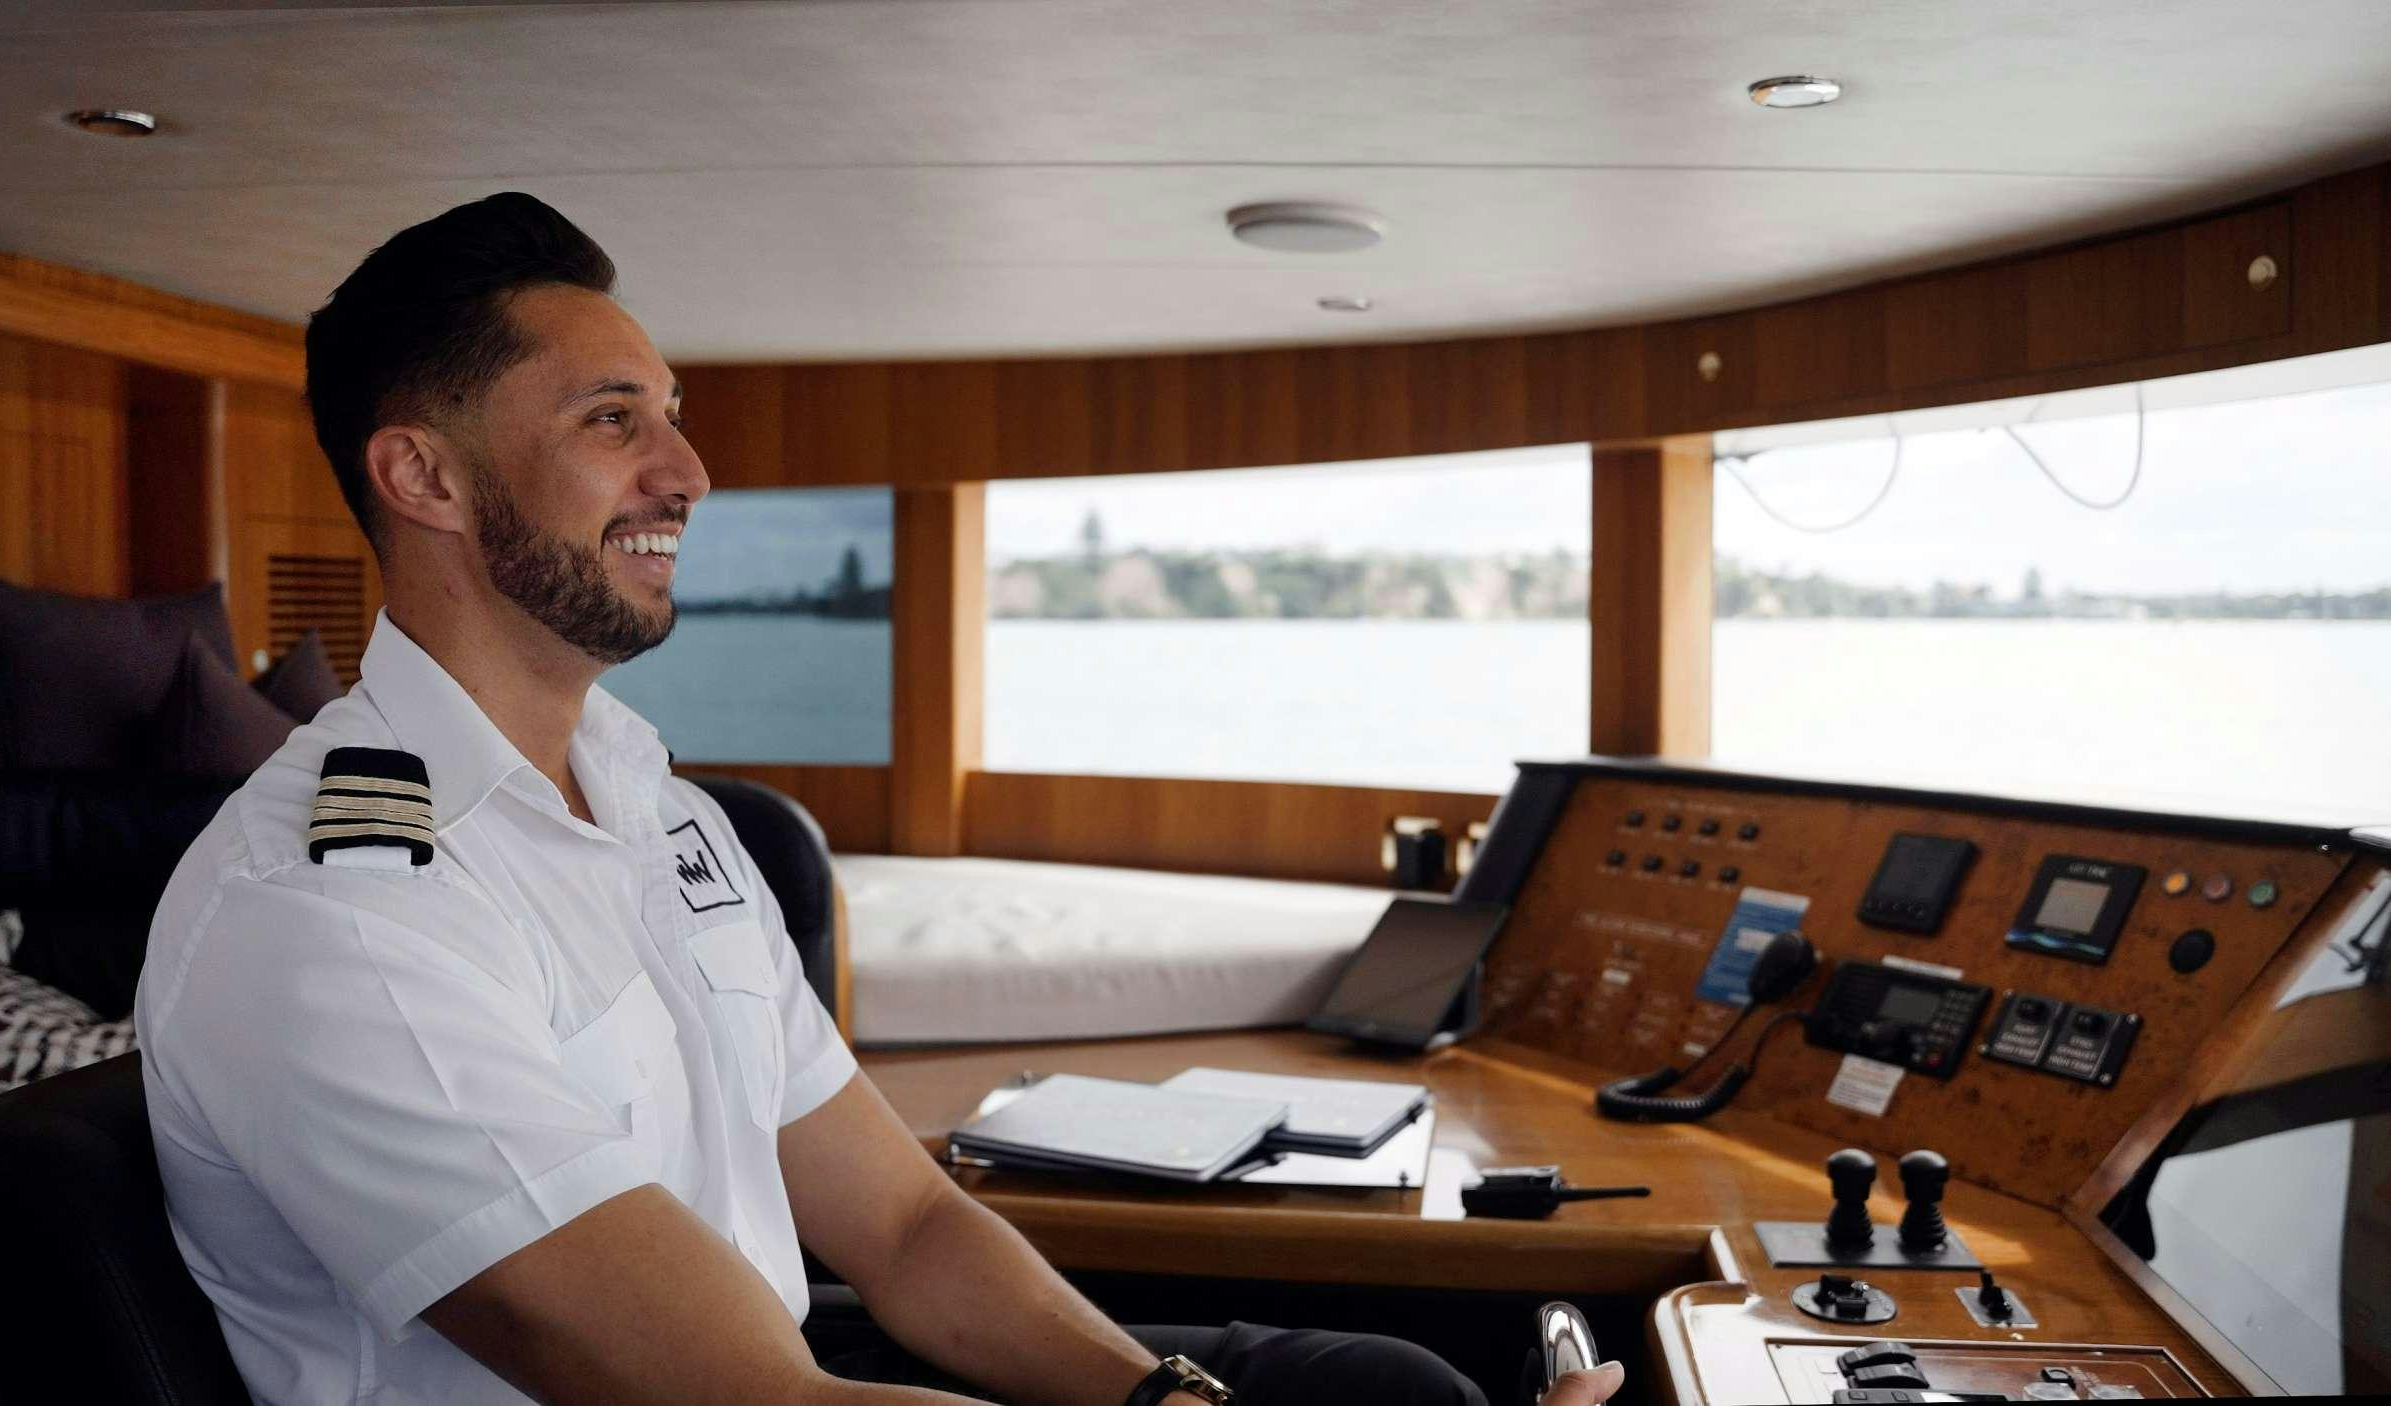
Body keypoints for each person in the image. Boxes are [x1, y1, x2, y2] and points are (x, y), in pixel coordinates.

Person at [135, 192, 1628, 1406]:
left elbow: (907, 1224)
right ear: (427, 478)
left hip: (788, 1364)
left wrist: (1158, 1394)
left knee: (1389, 1386)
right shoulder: (330, 913)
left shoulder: (660, 810)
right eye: (613, 421)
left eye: (672, 411)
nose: (690, 471)